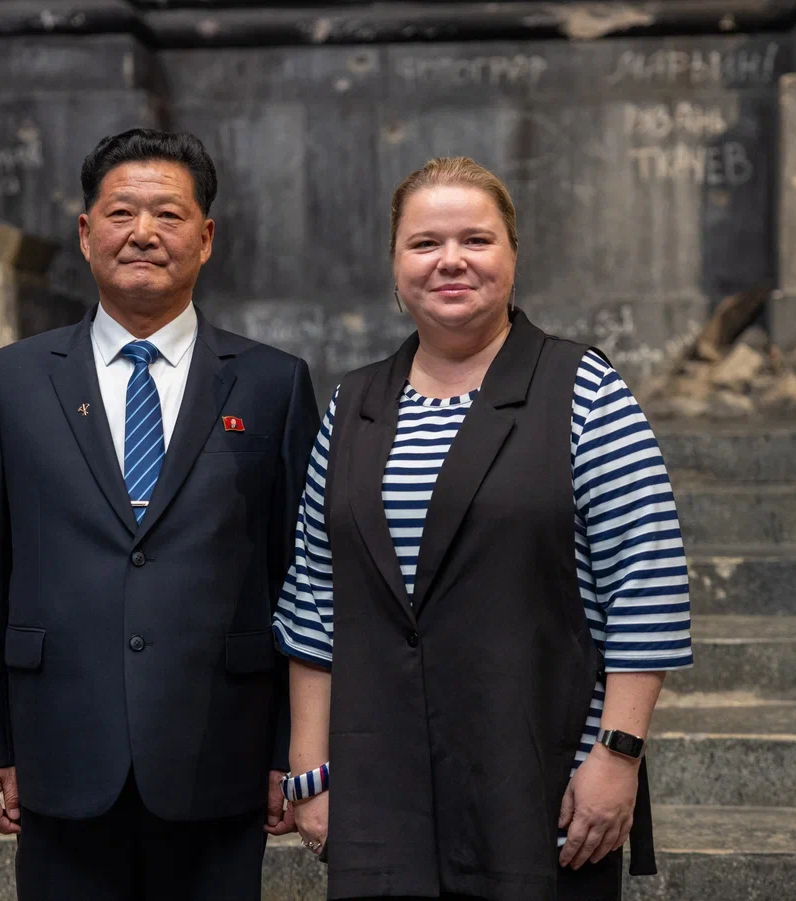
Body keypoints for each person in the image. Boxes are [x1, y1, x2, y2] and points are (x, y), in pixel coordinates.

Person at [273, 157, 693, 901]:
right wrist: (310, 773)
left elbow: (646, 586)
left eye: (476, 239)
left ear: (513, 255)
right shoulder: (352, 405)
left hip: (539, 778)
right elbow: (314, 596)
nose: (451, 261)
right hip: (380, 787)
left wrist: (617, 755)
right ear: (395, 265)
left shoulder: (584, 392)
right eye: (424, 243)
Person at [0, 128, 319, 900]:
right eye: (121, 212)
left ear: (205, 238)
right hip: (59, 747)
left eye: (168, 214)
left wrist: (292, 748)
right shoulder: (14, 380)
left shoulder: (273, 384)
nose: (143, 232)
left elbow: (301, 575)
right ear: (86, 234)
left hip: (221, 748)